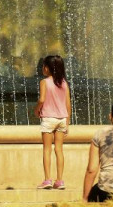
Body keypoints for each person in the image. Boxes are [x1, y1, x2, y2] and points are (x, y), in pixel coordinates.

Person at [33, 55, 71, 190]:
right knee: (59, 150)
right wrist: (67, 122)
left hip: (48, 118)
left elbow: (42, 99)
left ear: (48, 68)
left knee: (47, 149)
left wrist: (36, 110)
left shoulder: (44, 82)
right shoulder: (64, 83)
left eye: (44, 65)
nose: (42, 68)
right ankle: (60, 180)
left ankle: (47, 179)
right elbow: (68, 104)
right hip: (62, 119)